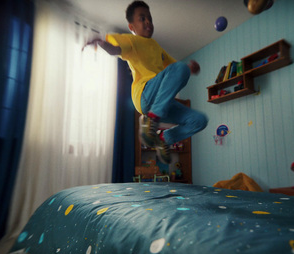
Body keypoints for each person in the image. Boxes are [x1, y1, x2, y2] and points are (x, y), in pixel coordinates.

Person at [83, 1, 208, 164]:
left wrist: (190, 69)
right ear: (132, 27)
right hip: (145, 94)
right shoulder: (131, 41)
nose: (148, 21)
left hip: (161, 101)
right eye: (142, 18)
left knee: (199, 120)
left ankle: (164, 138)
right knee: (180, 68)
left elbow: (175, 70)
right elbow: (115, 50)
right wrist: (102, 43)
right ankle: (151, 119)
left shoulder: (157, 47)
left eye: (150, 18)